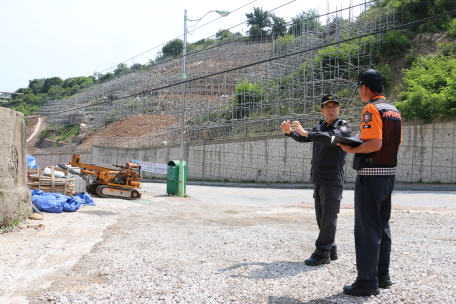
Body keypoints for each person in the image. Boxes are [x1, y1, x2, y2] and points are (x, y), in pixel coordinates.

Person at [338, 69, 402, 296]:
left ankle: (366, 281)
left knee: (367, 229)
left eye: (359, 89)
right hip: (389, 175)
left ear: (364, 88)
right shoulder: (394, 111)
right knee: (382, 226)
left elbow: (374, 144)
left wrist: (348, 146)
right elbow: (391, 144)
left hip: (372, 176)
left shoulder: (371, 109)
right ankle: (382, 275)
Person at [280, 94, 352, 266]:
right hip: (318, 177)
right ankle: (330, 249)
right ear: (322, 110)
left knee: (329, 216)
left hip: (332, 179)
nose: (331, 109)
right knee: (321, 217)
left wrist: (308, 133)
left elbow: (332, 139)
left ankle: (321, 253)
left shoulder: (343, 127)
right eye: (328, 107)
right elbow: (304, 136)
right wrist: (290, 132)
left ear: (339, 109)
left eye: (334, 106)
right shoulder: (319, 127)